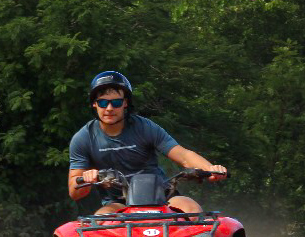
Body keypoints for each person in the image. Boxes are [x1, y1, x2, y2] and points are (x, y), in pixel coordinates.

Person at [68, 71, 227, 214]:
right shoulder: (83, 138)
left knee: (192, 210)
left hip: (161, 196)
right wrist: (87, 179)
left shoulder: (145, 127)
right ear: (94, 104)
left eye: (116, 102)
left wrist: (211, 169)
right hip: (118, 203)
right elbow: (74, 192)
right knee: (101, 219)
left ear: (125, 103)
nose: (109, 108)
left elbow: (183, 155)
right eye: (103, 102)